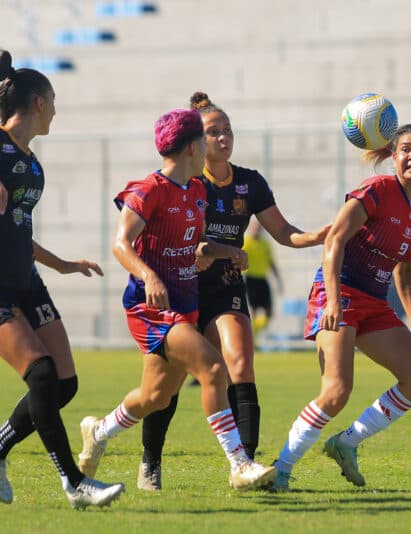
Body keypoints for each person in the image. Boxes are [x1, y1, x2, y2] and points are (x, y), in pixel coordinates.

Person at [77, 108, 276, 492]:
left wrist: (227, 251)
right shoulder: (148, 189)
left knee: (155, 395)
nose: (211, 146)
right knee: (214, 368)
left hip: (186, 304)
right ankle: (240, 464)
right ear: (191, 148)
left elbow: (197, 244)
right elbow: (120, 244)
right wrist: (149, 275)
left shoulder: (197, 191)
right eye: (205, 139)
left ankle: (99, 432)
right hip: (152, 308)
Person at [136, 92, 327, 491]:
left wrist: (318, 236)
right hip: (181, 288)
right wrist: (203, 251)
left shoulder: (249, 182)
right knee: (165, 387)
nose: (223, 138)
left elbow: (283, 232)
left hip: (225, 287)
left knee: (240, 364)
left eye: (227, 130)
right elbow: (170, 238)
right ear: (196, 141)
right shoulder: (184, 184)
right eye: (213, 132)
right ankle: (150, 460)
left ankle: (247, 464)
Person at [270, 124, 411, 492]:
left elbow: (405, 269)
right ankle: (280, 469)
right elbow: (335, 240)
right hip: (339, 292)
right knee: (336, 391)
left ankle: (346, 443)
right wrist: (332, 299)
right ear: (393, 156)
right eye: (405, 149)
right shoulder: (376, 189)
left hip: (374, 302)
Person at [0, 49, 125, 509]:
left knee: (64, 384)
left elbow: (18, 230)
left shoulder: (31, 163)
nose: (55, 110)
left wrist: (63, 265)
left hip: (27, 280)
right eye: (53, 101)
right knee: (41, 374)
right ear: (38, 103)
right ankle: (75, 483)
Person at [242, 217, 283, 338]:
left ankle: (255, 332)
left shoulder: (265, 244)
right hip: (250, 279)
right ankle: (252, 339)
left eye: (258, 228)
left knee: (269, 312)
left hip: (263, 279)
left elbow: (271, 262)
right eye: (254, 227)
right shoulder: (246, 242)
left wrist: (278, 279)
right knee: (253, 311)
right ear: (250, 228)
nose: (256, 230)